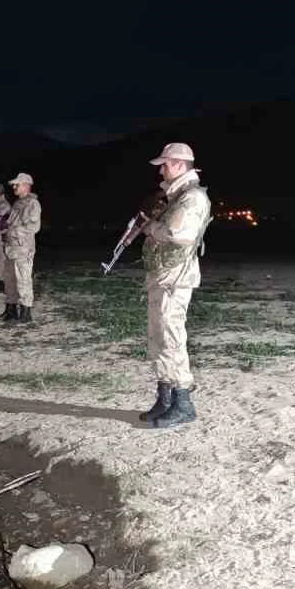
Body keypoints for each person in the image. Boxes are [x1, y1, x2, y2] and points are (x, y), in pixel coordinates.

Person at [124, 143, 212, 427]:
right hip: (163, 276)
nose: (161, 170)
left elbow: (178, 233)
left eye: (165, 164)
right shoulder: (174, 196)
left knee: (172, 338)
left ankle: (183, 403)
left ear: (179, 165)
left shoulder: (193, 197)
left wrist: (149, 227)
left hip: (176, 278)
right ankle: (165, 398)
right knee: (158, 337)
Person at [0, 172, 41, 323]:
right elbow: (12, 223)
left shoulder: (32, 204)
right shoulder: (17, 203)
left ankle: (25, 313)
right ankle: (11, 310)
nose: (14, 187)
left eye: (17, 184)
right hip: (11, 247)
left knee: (23, 280)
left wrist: (14, 232)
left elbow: (34, 227)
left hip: (23, 248)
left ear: (26, 185)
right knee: (9, 279)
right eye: (14, 185)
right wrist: (5, 228)